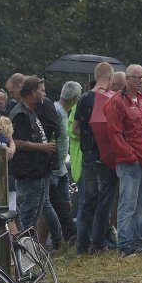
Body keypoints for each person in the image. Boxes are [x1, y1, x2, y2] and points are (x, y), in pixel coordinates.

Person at [105, 64, 142, 257]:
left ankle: (136, 242)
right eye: (137, 77)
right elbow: (115, 134)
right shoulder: (117, 103)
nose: (141, 80)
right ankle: (126, 246)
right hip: (131, 163)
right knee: (128, 204)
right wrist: (130, 156)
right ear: (127, 79)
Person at [74, 62, 117, 255]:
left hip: (86, 154)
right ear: (110, 77)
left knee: (88, 201)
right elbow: (107, 130)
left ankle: (82, 246)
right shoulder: (104, 98)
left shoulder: (83, 98)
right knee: (103, 200)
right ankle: (98, 244)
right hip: (102, 155)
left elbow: (75, 129)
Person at [8, 76, 57, 238]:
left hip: (38, 171)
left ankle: (32, 252)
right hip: (27, 173)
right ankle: (23, 252)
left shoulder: (31, 111)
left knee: (36, 212)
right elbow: (17, 142)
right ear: (31, 92)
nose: (43, 95)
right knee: (28, 214)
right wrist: (42, 147)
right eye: (41, 91)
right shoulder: (20, 113)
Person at [48, 81, 82, 242]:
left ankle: (64, 239)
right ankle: (46, 242)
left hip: (61, 167)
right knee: (50, 208)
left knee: (66, 206)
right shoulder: (56, 112)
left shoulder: (64, 111)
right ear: (75, 98)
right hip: (53, 167)